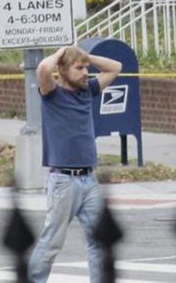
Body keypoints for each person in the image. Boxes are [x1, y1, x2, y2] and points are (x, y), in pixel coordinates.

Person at [28, 45, 122, 283]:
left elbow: (116, 68)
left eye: (87, 68)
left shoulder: (87, 91)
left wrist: (84, 56)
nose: (86, 72)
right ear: (62, 69)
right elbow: (42, 69)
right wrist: (62, 53)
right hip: (63, 181)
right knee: (52, 241)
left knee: (100, 237)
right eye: (79, 68)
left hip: (89, 179)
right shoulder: (52, 94)